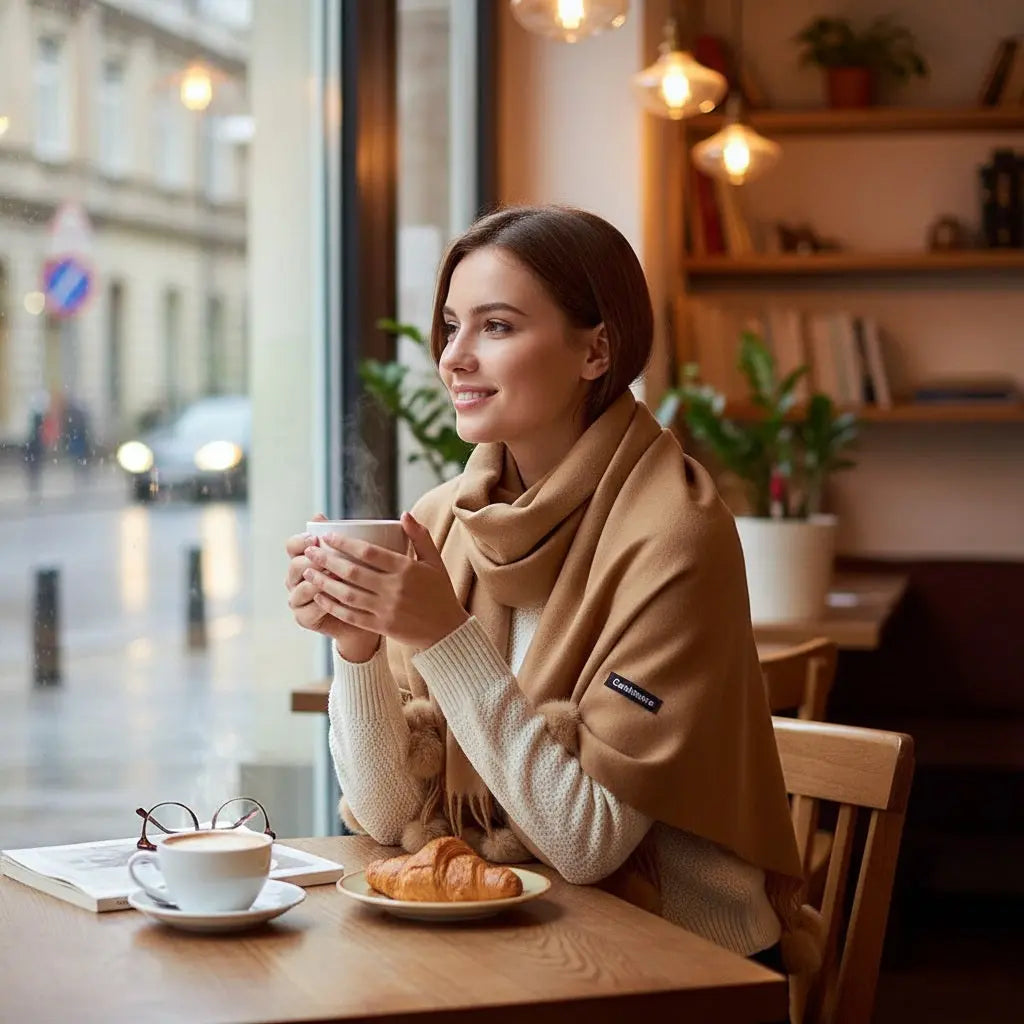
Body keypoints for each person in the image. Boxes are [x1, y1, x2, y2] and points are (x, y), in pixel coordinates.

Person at [284, 206, 821, 990]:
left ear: (596, 348)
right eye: (449, 326)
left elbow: (588, 843)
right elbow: (388, 812)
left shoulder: (676, 536)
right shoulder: (443, 522)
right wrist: (358, 645)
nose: (454, 358)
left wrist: (443, 636)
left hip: (682, 964)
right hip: (510, 944)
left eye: (495, 327)